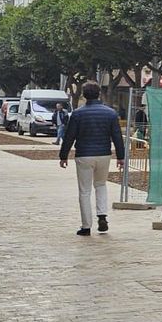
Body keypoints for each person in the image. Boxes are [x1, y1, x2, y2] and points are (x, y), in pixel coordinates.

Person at [59, 82, 126, 236]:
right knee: (101, 185)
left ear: (84, 95)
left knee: (85, 191)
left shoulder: (77, 114)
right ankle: (102, 215)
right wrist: (120, 157)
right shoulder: (110, 113)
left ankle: (86, 226)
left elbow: (69, 136)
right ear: (99, 94)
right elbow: (117, 136)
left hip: (84, 155)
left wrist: (63, 156)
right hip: (104, 154)